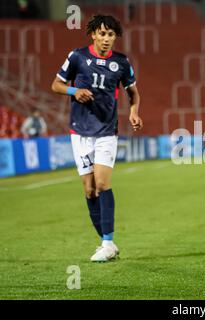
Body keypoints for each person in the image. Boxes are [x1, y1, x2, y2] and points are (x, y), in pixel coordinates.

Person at [51, 15, 143, 262]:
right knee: (89, 190)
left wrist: (134, 112)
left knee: (102, 184)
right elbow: (56, 85)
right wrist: (74, 90)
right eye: (102, 34)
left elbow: (133, 94)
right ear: (93, 34)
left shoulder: (121, 62)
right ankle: (107, 243)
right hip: (79, 131)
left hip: (106, 131)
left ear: (115, 37)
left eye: (111, 35)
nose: (106, 39)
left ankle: (108, 242)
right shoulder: (77, 57)